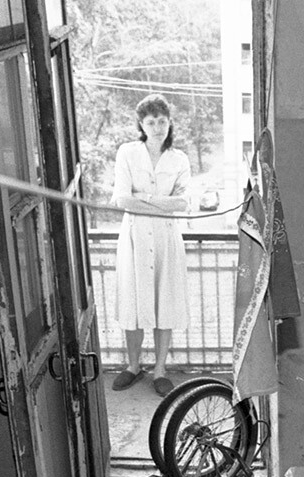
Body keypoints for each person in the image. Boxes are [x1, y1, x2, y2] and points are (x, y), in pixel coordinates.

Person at [110, 94, 192, 397]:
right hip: (134, 236)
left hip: (166, 238)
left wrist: (142, 198)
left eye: (162, 121)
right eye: (151, 122)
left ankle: (159, 369)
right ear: (141, 125)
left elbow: (183, 201)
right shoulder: (128, 153)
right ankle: (133, 366)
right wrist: (161, 203)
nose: (158, 127)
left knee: (164, 301)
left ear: (169, 123)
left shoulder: (179, 159)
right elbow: (121, 198)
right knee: (133, 301)